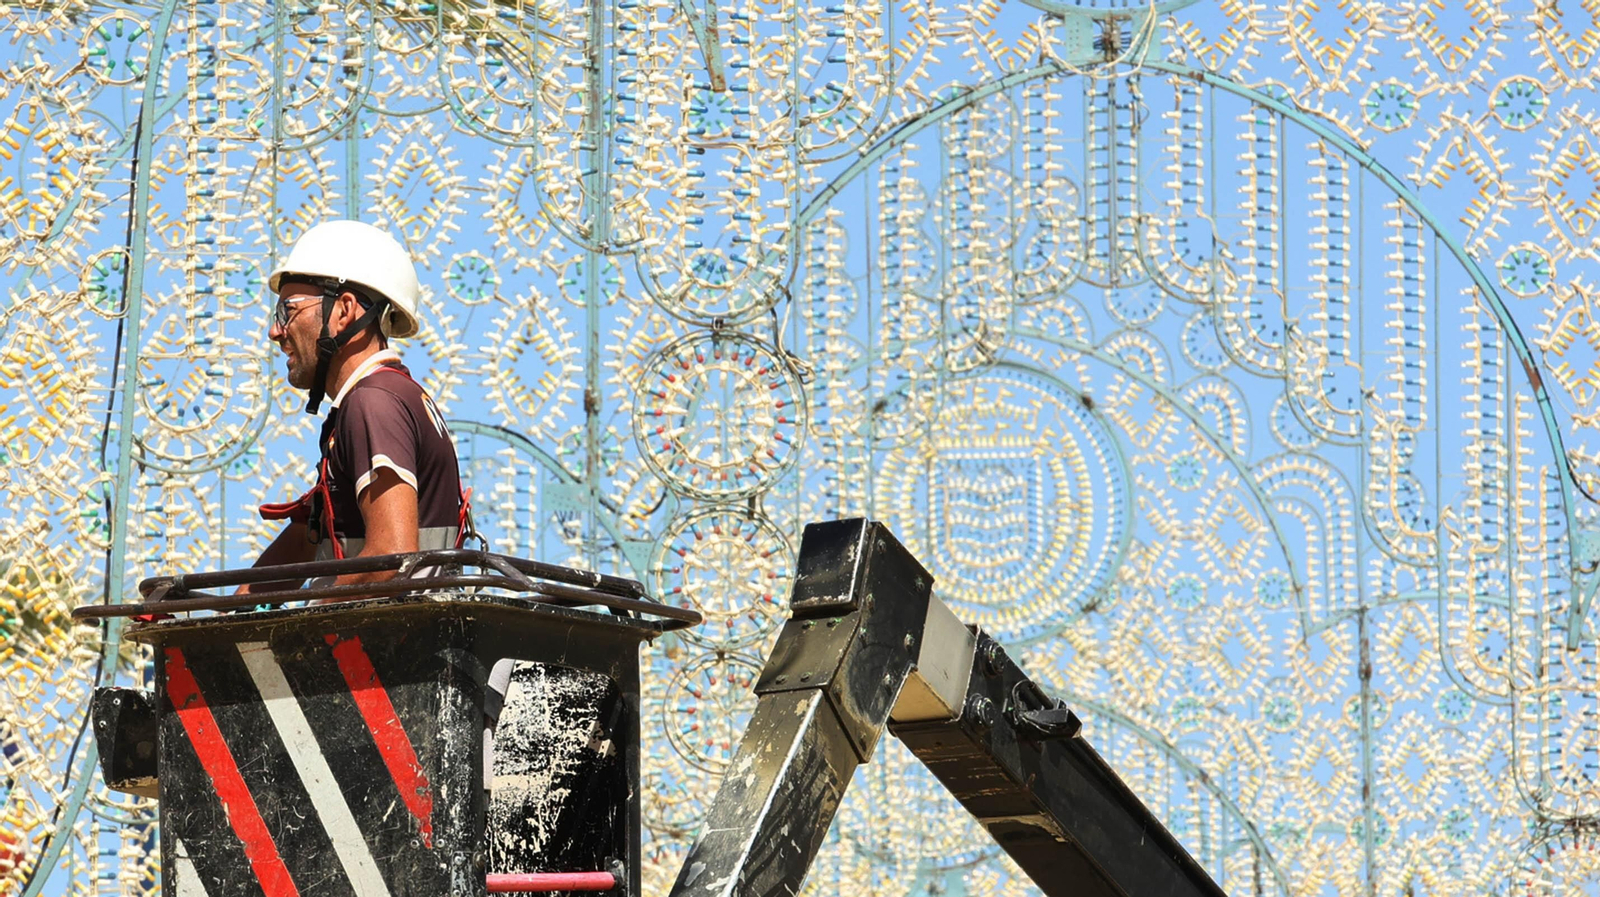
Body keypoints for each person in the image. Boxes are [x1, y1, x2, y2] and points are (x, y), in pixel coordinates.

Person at [241, 220, 468, 597]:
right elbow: (310, 535)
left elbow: (392, 556)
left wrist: (311, 609)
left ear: (344, 311)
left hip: (390, 643)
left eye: (287, 311)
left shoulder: (373, 401)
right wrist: (221, 607)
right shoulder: (390, 395)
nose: (275, 331)